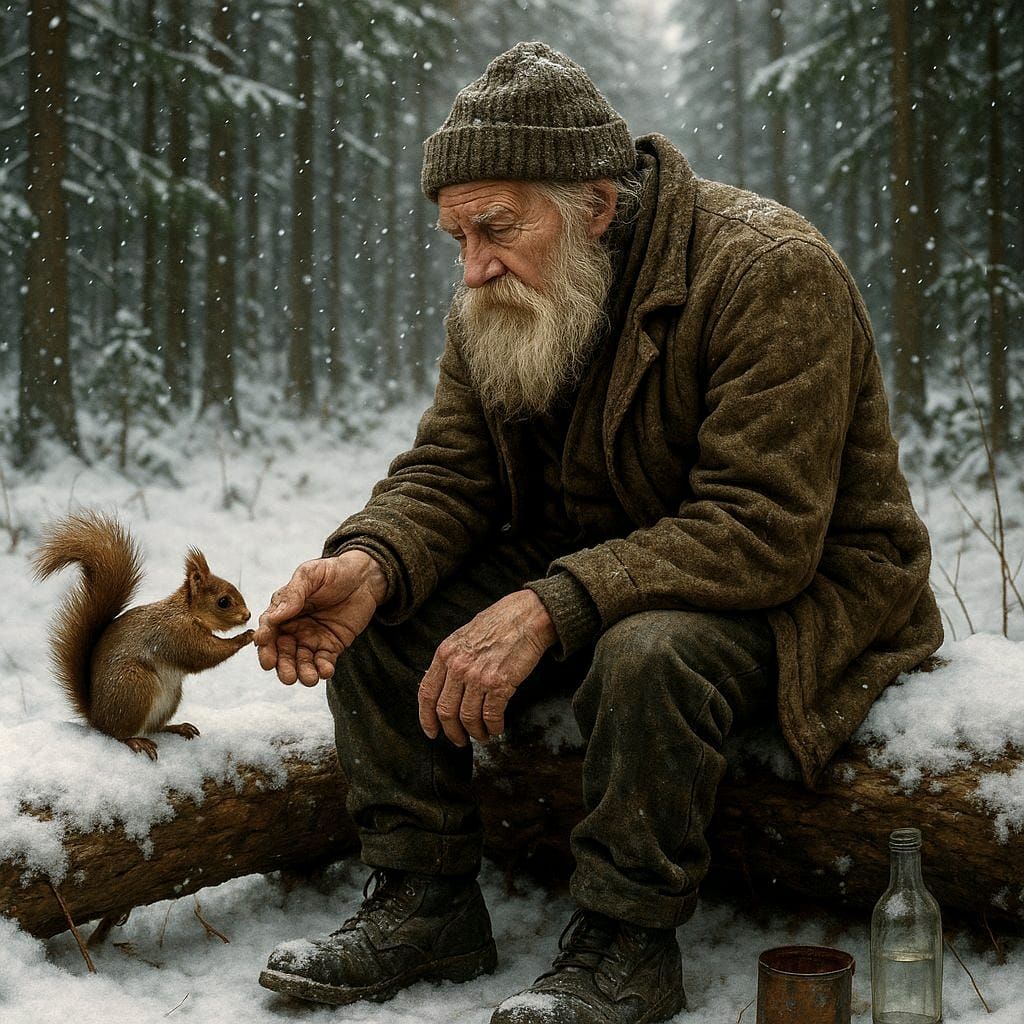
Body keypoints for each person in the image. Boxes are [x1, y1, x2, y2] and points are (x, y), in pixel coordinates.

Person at [254, 41, 943, 1024]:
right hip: (606, 554)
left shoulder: (767, 272)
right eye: (457, 236)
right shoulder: (499, 291)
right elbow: (451, 470)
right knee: (380, 611)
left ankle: (627, 945)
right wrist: (369, 561)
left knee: (645, 652)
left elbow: (761, 529)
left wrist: (551, 605)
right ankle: (423, 900)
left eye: (496, 228)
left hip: (804, 582)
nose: (474, 265)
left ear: (597, 206)